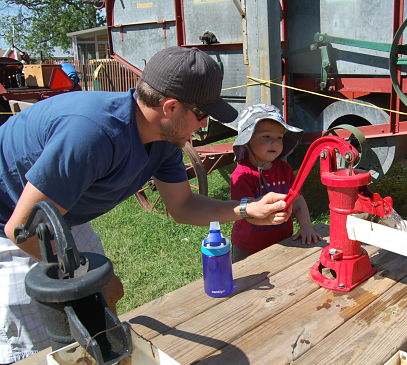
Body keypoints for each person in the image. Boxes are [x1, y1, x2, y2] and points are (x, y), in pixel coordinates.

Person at [0, 46, 290, 363]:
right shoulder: (92, 133)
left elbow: (183, 206)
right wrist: (87, 274)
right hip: (12, 223)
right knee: (35, 345)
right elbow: (23, 230)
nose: (202, 127)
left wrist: (248, 209)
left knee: (99, 309)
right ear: (170, 106)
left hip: (59, 214)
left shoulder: (163, 139)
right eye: (202, 115)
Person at [230, 104, 321, 262]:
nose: (275, 143)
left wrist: (306, 226)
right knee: (245, 284)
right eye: (266, 136)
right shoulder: (242, 175)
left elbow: (297, 200)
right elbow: (243, 214)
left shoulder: (284, 169)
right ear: (247, 141)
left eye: (279, 137)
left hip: (283, 242)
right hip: (248, 248)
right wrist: (265, 219)